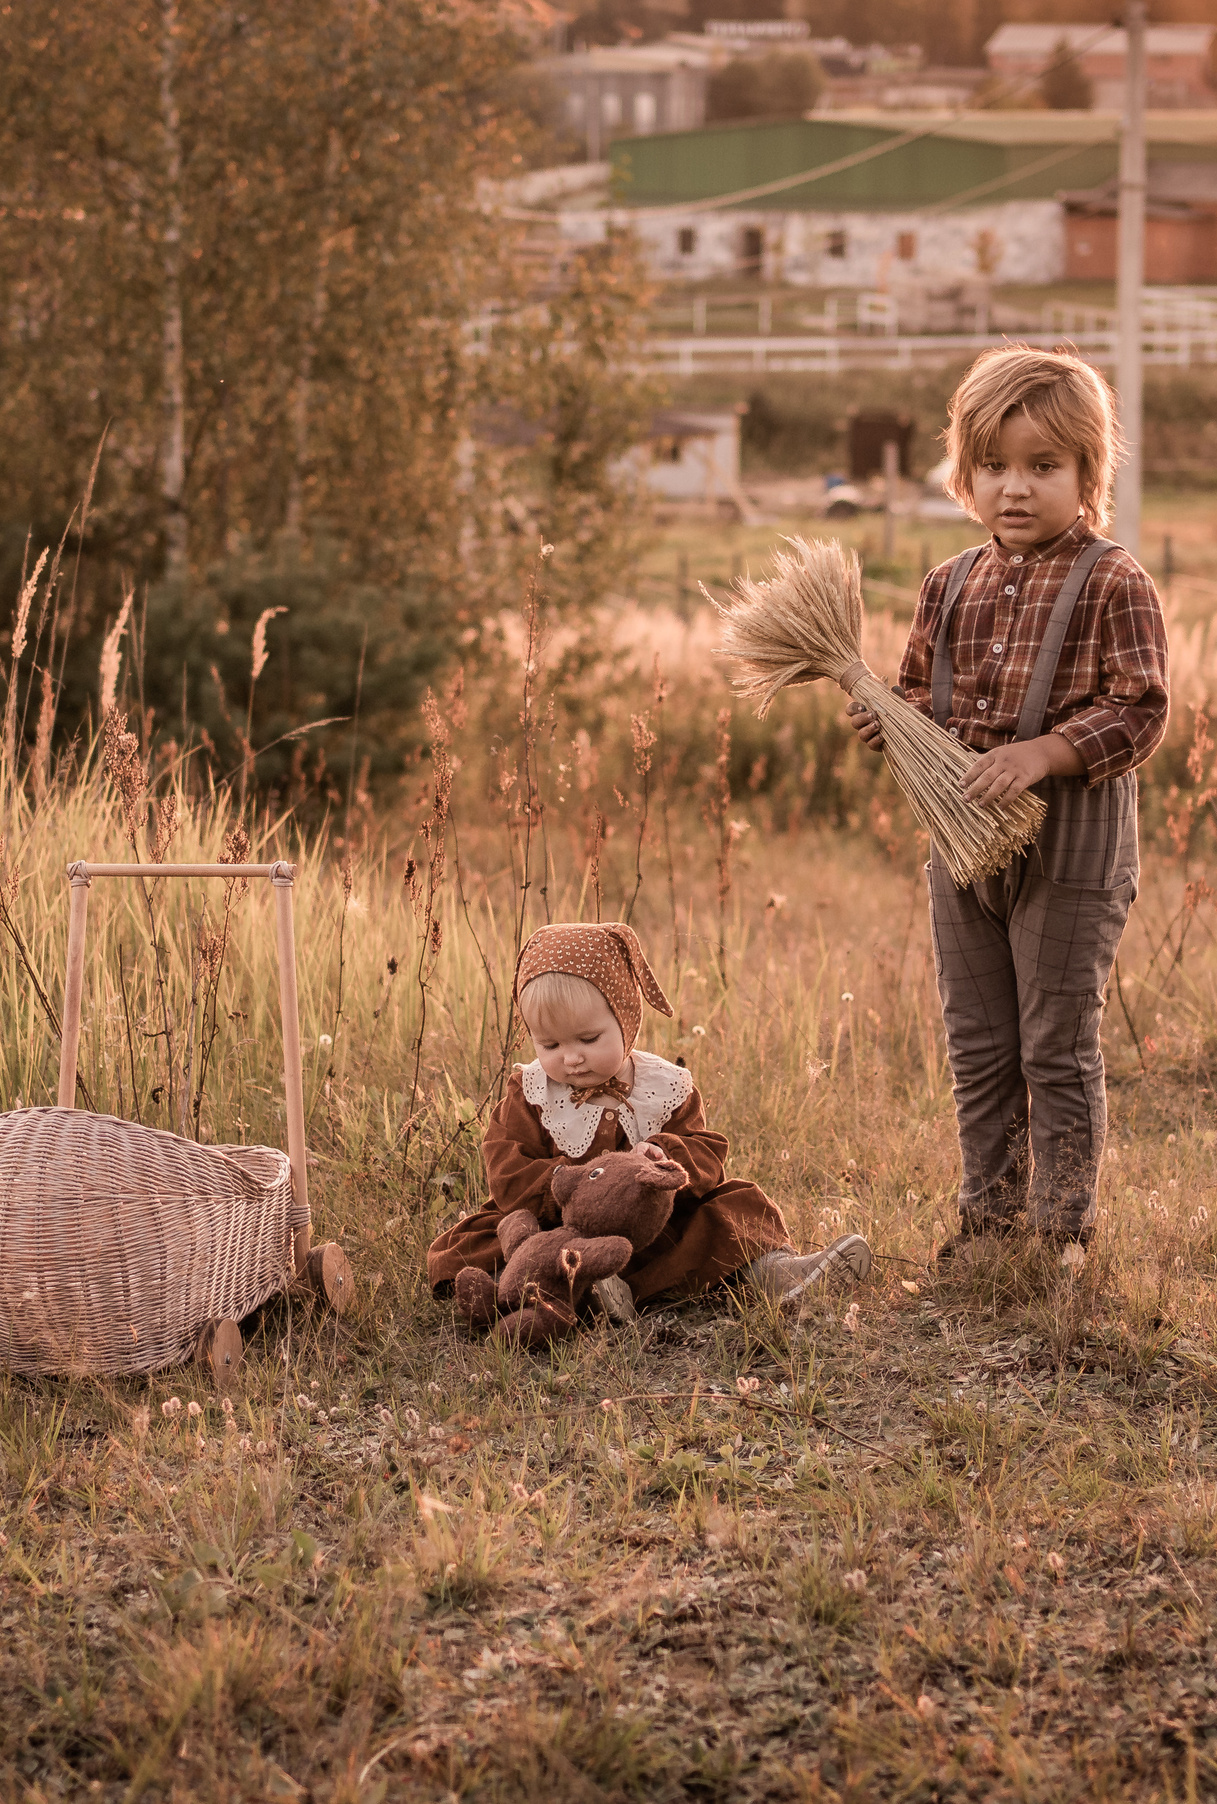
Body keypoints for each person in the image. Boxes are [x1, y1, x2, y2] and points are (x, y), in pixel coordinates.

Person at [845, 347, 1169, 1255]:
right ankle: (987, 1223)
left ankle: (1061, 1231)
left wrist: (1045, 752)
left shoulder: (1113, 581)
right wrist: (892, 726)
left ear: (1087, 476)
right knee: (980, 1045)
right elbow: (920, 695)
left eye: (1042, 467)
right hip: (963, 846)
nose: (1014, 488)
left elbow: (1141, 711)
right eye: (993, 466)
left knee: (1054, 1049)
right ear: (964, 476)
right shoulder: (947, 585)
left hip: (1072, 844)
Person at [426, 923, 870, 1320]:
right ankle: (572, 1288)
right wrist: (565, 1182)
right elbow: (506, 1169)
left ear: (626, 1019)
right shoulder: (531, 1093)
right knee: (484, 1238)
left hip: (647, 1230)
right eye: (551, 1044)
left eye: (588, 1038)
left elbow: (706, 1152)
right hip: (555, 1227)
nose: (572, 1057)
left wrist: (664, 1157)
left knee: (732, 1209)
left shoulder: (664, 1086)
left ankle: (773, 1274)